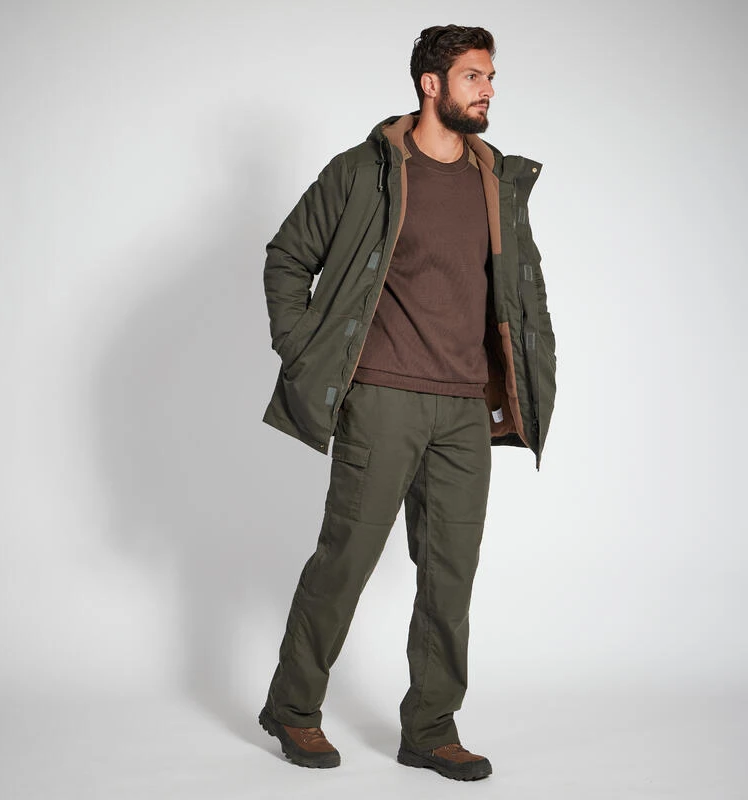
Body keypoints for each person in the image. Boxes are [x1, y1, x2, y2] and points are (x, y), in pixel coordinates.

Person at [258, 24, 556, 782]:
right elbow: (288, 256)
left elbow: (523, 292)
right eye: (474, 76)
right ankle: (292, 709)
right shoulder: (366, 171)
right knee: (346, 560)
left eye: (491, 77)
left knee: (451, 576)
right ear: (431, 84)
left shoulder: (497, 181)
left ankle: (430, 728)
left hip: (465, 410)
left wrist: (528, 376)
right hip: (383, 399)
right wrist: (303, 347)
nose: (488, 90)